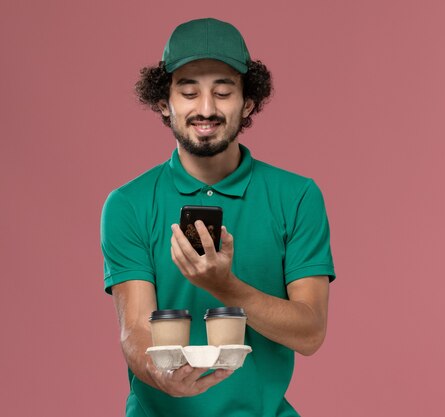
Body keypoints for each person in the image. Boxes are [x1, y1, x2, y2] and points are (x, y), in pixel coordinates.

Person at [100, 18, 335, 417]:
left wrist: (227, 288)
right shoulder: (128, 204)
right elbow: (135, 328)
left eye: (223, 92)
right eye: (188, 92)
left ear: (247, 103)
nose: (205, 109)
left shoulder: (297, 197)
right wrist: (161, 375)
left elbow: (310, 332)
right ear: (163, 102)